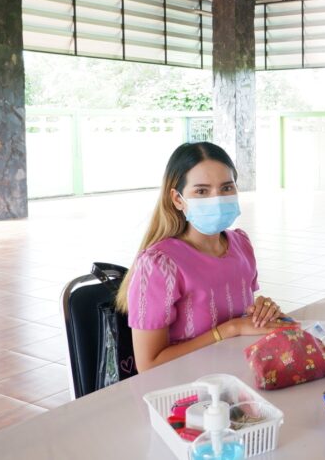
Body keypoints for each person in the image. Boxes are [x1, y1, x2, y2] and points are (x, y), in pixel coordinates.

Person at [116, 142, 287, 372]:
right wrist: (230, 329)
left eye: (226, 188)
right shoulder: (159, 264)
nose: (217, 199)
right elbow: (149, 364)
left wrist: (261, 312)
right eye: (202, 191)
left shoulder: (241, 244)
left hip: (239, 373)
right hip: (186, 385)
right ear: (178, 199)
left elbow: (241, 314)